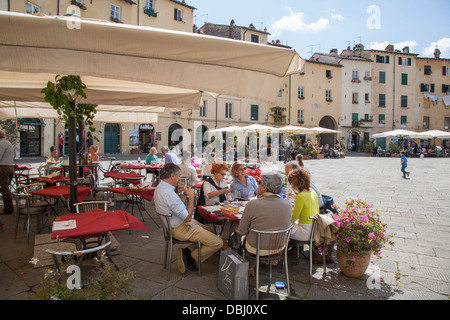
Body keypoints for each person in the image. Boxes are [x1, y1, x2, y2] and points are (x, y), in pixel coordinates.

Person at [153, 163, 223, 274]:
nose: (179, 178)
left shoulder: (161, 188)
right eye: (178, 175)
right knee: (218, 243)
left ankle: (186, 252)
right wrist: (191, 197)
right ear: (172, 176)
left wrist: (185, 194)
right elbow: (188, 217)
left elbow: (177, 208)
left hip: (176, 224)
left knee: (210, 232)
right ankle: (191, 257)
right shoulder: (168, 193)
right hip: (180, 227)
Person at [237, 173, 292, 276]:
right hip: (279, 247)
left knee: (245, 237)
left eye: (259, 183)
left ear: (264, 187)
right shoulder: (288, 204)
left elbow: (242, 230)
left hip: (256, 247)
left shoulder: (252, 205)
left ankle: (249, 267)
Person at [288, 167, 319, 242]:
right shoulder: (313, 192)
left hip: (304, 232)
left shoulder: (301, 197)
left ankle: (286, 250)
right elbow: (307, 202)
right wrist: (295, 196)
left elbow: (293, 218)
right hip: (314, 230)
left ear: (295, 184)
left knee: (284, 227)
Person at [0, 129, 15, 214]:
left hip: (4, 168)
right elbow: (14, 154)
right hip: (10, 166)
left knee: (4, 189)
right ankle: (9, 207)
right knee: (5, 188)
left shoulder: (1, 144)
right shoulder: (8, 142)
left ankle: (8, 208)